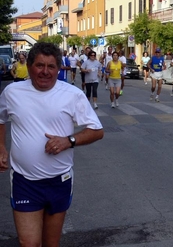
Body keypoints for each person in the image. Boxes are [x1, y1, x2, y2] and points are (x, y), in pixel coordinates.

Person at [0, 42, 103, 246]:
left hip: (60, 180)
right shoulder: (12, 92)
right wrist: (1, 147)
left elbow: (97, 131)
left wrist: (69, 141)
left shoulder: (72, 94)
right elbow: (1, 119)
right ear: (29, 67)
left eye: (51, 66)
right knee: (29, 243)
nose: (45, 72)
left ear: (59, 68)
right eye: (39, 65)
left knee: (51, 243)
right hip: (24, 181)